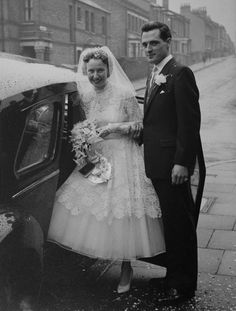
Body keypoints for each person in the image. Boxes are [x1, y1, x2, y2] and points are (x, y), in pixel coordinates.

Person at [47, 46, 165, 294]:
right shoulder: (86, 96)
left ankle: (126, 267)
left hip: (123, 154)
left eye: (100, 70)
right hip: (97, 156)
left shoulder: (123, 94)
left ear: (109, 70)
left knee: (124, 212)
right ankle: (93, 256)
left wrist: (115, 128)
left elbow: (140, 125)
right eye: (91, 71)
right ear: (85, 71)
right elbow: (82, 123)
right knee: (92, 211)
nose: (96, 76)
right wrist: (83, 135)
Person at [140, 21, 203, 303]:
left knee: (181, 226)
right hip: (157, 164)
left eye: (153, 43)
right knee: (170, 226)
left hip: (173, 167)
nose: (148, 49)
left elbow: (189, 125)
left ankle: (183, 287)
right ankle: (171, 277)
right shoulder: (154, 75)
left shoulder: (180, 74)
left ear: (168, 42)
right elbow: (154, 121)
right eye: (144, 44)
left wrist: (182, 163)